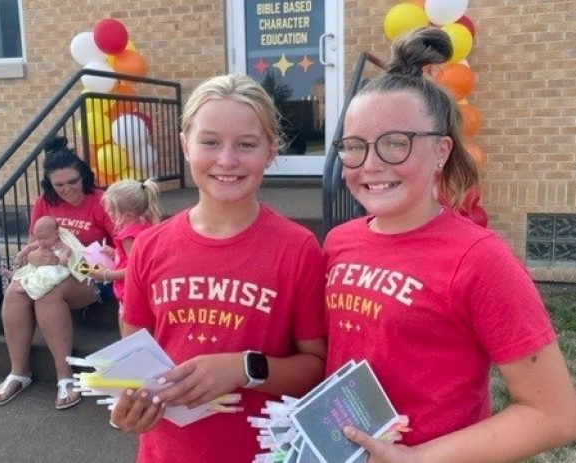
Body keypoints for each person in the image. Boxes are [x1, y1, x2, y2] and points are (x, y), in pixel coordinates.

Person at [324, 27, 576, 462]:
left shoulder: (480, 259)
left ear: (441, 151)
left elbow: (553, 413)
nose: (371, 164)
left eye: (396, 144)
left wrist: (418, 458)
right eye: (354, 146)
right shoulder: (339, 242)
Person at [110, 74, 327, 462]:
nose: (227, 160)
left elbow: (315, 366)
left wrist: (245, 368)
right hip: (166, 451)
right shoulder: (149, 246)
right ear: (185, 146)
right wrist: (129, 409)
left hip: (262, 452)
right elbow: (134, 361)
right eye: (209, 142)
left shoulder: (298, 249)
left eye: (246, 144)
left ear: (270, 152)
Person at [0, 136, 114, 410]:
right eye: (60, 185)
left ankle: (65, 377)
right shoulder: (44, 203)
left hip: (93, 274)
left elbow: (122, 246)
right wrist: (33, 255)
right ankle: (18, 372)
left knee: (47, 294)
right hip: (52, 269)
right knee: (15, 291)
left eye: (73, 181)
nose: (68, 189)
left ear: (83, 175)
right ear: (50, 184)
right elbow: (35, 243)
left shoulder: (102, 201)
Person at [87, 178, 163, 333]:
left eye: (111, 209)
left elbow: (136, 269)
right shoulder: (146, 227)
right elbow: (138, 259)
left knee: (128, 339)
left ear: (127, 215)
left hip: (130, 294)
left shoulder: (129, 235)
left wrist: (106, 275)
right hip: (143, 293)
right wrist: (115, 253)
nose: (107, 212)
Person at [3, 216, 86, 300]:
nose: (41, 242)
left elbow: (68, 249)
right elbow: (29, 248)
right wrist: (20, 255)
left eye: (44, 238)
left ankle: (30, 288)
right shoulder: (40, 242)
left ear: (56, 234)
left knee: (48, 276)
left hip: (57, 266)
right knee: (32, 270)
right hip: (41, 264)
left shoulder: (59, 243)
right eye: (38, 238)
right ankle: (17, 276)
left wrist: (64, 255)